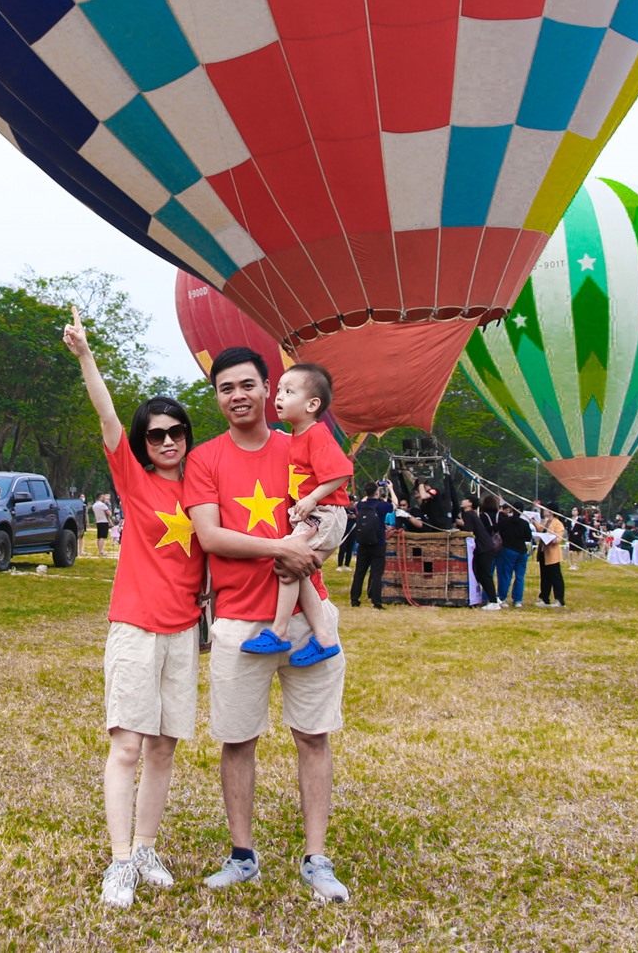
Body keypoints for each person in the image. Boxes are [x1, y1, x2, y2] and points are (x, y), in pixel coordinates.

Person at [186, 347, 349, 903]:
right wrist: (281, 547)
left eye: (248, 385)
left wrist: (313, 554)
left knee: (313, 735)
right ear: (218, 397)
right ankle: (242, 854)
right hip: (238, 620)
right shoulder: (205, 458)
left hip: (307, 616)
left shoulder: (302, 441)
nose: (238, 396)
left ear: (268, 388)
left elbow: (338, 513)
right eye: (225, 388)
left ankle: (316, 857)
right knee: (237, 740)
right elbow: (209, 536)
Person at [63, 312, 204, 910]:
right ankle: (121, 860)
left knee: (165, 746)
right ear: (144, 443)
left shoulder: (204, 488)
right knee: (127, 745)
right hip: (136, 627)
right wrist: (86, 357)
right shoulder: (133, 478)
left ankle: (146, 847)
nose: (167, 441)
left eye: (176, 431)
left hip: (184, 632)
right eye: (156, 434)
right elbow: (107, 415)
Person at [239, 364, 349, 667]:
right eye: (278, 391)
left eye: (289, 392)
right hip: (313, 513)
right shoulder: (298, 434)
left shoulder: (317, 435)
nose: (279, 397)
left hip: (324, 513)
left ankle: (278, 631)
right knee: (299, 571)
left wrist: (312, 498)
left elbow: (342, 472)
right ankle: (324, 639)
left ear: (312, 405)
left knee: (288, 559)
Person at [348, 484, 389, 610]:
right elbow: (395, 504)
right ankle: (376, 601)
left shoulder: (360, 505)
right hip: (378, 543)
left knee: (359, 572)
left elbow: (362, 501)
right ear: (377, 492)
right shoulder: (382, 506)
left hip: (363, 543)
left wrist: (371, 491)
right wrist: (390, 489)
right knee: (377, 574)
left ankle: (355, 599)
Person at [465, 497, 501, 610]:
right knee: (481, 574)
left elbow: (469, 533)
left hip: (484, 548)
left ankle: (494, 601)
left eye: (466, 500)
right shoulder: (474, 515)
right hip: (486, 547)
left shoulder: (469, 514)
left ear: (470, 504)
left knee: (485, 574)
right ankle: (492, 597)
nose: (463, 501)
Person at [496, 503, 533, 606]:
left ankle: (502, 597)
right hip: (522, 551)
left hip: (509, 550)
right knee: (520, 576)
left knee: (506, 575)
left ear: (512, 509)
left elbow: (497, 530)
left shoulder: (505, 522)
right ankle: (518, 600)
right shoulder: (524, 523)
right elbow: (528, 537)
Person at [534, 510, 567, 606]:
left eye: (546, 509)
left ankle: (559, 599)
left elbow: (559, 538)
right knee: (544, 577)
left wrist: (551, 538)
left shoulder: (558, 523)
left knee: (555, 577)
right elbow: (541, 529)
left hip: (552, 554)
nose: (544, 511)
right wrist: (533, 521)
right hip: (543, 552)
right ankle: (544, 598)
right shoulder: (546, 521)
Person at [92, 493, 113, 557]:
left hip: (98, 521)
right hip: (104, 521)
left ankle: (99, 550)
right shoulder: (103, 505)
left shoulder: (94, 505)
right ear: (100, 497)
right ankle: (101, 551)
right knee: (103, 537)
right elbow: (109, 514)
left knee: (99, 537)